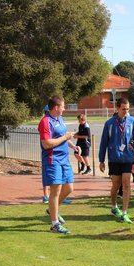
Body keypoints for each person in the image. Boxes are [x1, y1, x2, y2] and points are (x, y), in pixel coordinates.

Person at [99, 98, 134, 224]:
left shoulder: (132, 121)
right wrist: (101, 160)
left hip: (127, 158)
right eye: (124, 109)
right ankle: (114, 207)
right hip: (114, 159)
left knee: (126, 184)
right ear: (117, 108)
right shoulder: (109, 123)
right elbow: (104, 142)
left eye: (128, 109)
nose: (126, 111)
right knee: (116, 184)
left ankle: (124, 212)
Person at [38, 96, 79, 234]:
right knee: (55, 191)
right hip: (52, 160)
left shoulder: (59, 119)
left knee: (69, 188)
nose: (64, 108)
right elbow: (47, 143)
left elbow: (63, 137)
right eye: (63, 106)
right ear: (56, 107)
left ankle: (52, 209)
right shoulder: (45, 122)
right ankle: (54, 224)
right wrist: (65, 137)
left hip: (64, 160)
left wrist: (73, 146)